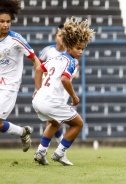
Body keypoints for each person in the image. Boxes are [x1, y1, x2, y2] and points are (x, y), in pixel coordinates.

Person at [33, 17, 94, 166]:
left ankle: (41, 152)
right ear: (69, 46)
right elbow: (65, 80)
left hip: (38, 100)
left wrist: (38, 89)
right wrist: (74, 97)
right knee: (78, 124)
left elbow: (39, 69)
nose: (80, 51)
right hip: (51, 102)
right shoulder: (71, 61)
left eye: (82, 48)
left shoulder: (57, 58)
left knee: (54, 123)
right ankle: (60, 153)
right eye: (78, 48)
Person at [0, 0, 41, 152]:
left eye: (8, 21)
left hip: (9, 87)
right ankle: (23, 132)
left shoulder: (15, 39)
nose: (5, 25)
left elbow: (35, 59)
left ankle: (22, 132)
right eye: (2, 21)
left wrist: (39, 86)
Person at [38, 24, 80, 145]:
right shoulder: (48, 51)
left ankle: (46, 146)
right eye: (59, 35)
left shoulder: (73, 58)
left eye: (63, 36)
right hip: (49, 88)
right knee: (53, 119)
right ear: (56, 36)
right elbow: (38, 67)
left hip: (63, 91)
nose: (61, 38)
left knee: (54, 120)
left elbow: (71, 76)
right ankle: (50, 145)